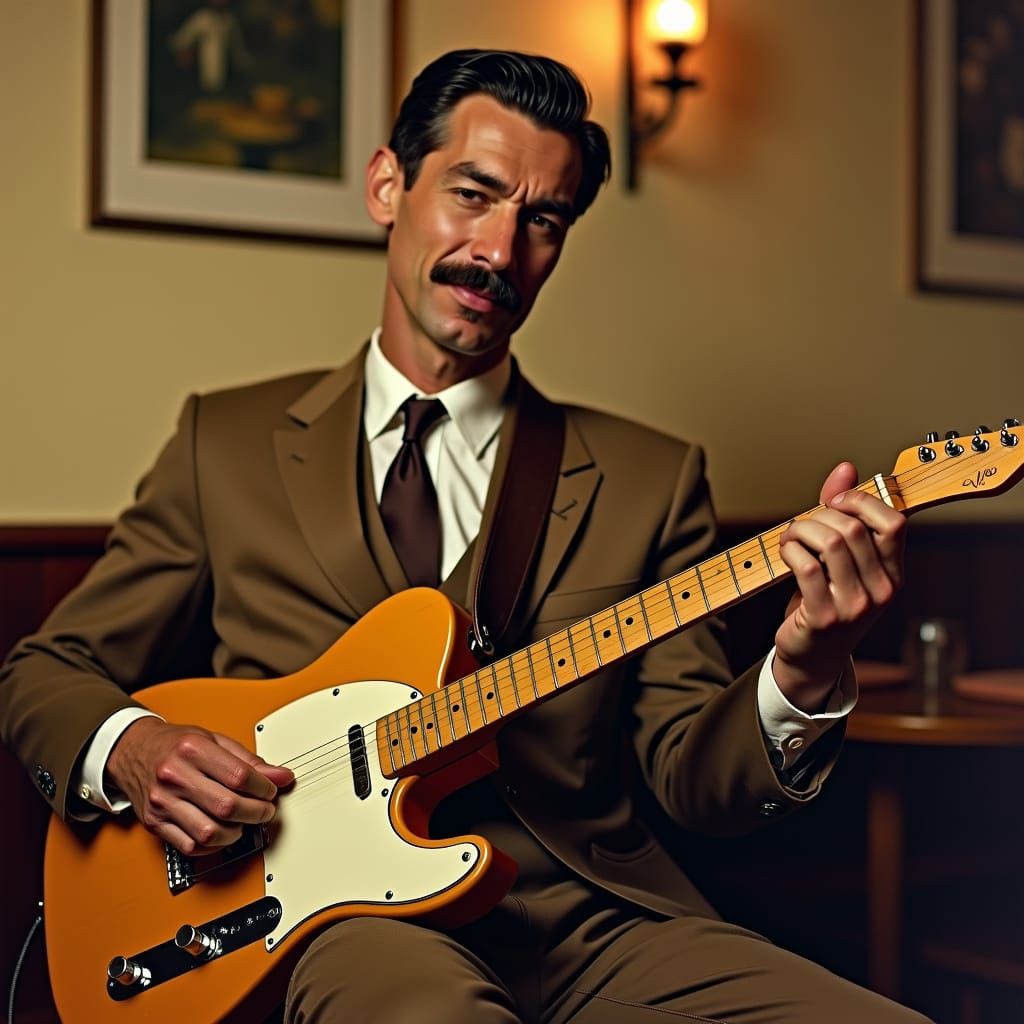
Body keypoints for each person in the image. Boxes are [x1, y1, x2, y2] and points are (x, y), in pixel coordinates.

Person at [1, 49, 928, 1023]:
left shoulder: (651, 478)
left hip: (591, 921)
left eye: (543, 221)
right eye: (473, 194)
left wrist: (808, 666)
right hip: (342, 929)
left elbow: (695, 779)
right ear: (387, 187)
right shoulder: (220, 445)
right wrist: (138, 748)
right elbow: (45, 668)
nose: (499, 250)